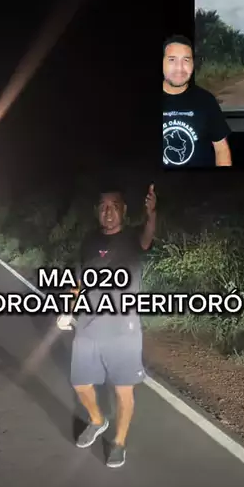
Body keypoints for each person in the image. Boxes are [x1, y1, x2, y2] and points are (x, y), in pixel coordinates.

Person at [59, 184, 156, 468]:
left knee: (123, 390)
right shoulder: (89, 240)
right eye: (103, 207)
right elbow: (79, 280)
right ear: (96, 211)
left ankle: (119, 442)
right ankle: (97, 420)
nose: (108, 211)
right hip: (89, 323)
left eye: (114, 206)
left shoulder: (134, 238)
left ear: (123, 210)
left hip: (123, 329)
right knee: (80, 384)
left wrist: (151, 214)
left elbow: (148, 237)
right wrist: (67, 308)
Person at [162, 34, 232, 168]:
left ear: (193, 64)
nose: (179, 68)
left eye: (186, 60)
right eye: (172, 60)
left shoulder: (206, 100)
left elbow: (221, 149)